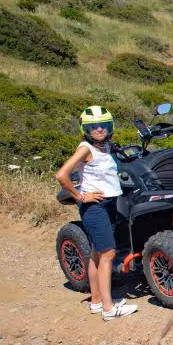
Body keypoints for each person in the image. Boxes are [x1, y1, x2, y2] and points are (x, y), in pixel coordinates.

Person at [54, 106, 138, 320]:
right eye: (94, 126)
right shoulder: (86, 148)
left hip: (107, 203)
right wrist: (81, 196)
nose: (99, 129)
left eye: (104, 125)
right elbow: (62, 175)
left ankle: (97, 301)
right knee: (108, 254)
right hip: (95, 207)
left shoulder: (105, 146)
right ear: (85, 129)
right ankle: (109, 309)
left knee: (96, 253)